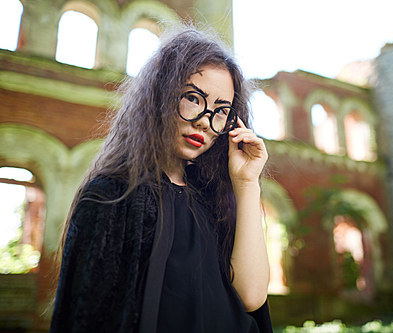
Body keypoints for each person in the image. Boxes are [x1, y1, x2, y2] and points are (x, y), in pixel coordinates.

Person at [50, 26, 272, 333]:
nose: (206, 122)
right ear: (160, 94)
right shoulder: (111, 194)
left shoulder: (214, 200)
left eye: (221, 111)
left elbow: (251, 297)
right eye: (194, 98)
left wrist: (247, 185)